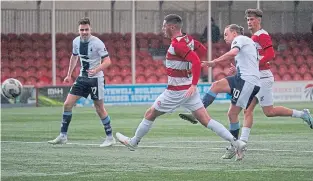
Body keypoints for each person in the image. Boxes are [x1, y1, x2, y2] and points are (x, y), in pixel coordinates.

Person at [179, 9, 313, 160]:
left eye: (252, 19)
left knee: (266, 111)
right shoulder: (249, 38)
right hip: (250, 77)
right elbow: (248, 58)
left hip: (260, 77)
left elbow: (270, 55)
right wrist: (240, 68)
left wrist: (218, 62)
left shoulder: (261, 35)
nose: (249, 22)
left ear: (259, 20)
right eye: (248, 19)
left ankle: (301, 115)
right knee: (244, 111)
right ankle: (239, 145)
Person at [115, 14, 246, 160]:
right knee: (206, 120)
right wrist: (188, 69)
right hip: (187, 88)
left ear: (172, 27)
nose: (163, 28)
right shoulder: (187, 39)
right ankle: (236, 142)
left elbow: (196, 61)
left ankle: (133, 142)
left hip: (176, 91)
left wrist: (194, 82)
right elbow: (201, 49)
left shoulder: (177, 45)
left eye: (164, 26)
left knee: (150, 113)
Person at [179, 24, 261, 160]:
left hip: (247, 81)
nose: (224, 37)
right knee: (216, 86)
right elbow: (251, 62)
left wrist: (214, 62)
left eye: (226, 34)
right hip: (243, 78)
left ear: (234, 33)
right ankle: (235, 145)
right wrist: (237, 70)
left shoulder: (239, 39)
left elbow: (233, 53)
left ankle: (235, 146)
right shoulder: (248, 41)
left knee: (232, 114)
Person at [48, 17, 116, 147]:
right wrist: (69, 75)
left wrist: (96, 69)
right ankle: (63, 136)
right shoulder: (76, 42)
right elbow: (74, 57)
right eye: (81, 30)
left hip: (96, 79)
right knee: (67, 104)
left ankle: (110, 137)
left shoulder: (97, 43)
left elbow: (108, 61)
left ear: (90, 29)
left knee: (99, 108)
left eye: (86, 29)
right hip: (82, 78)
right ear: (78, 30)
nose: (84, 32)